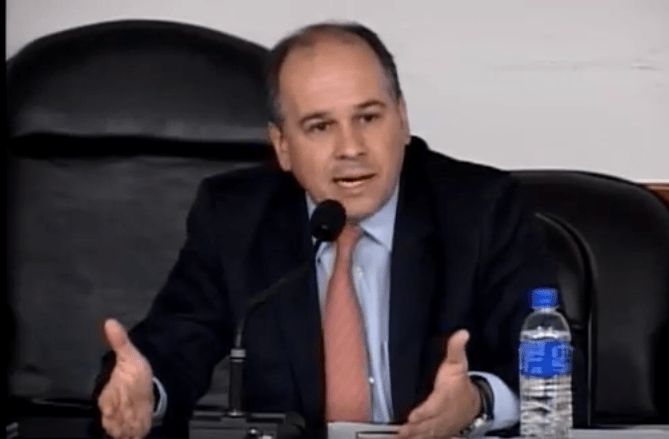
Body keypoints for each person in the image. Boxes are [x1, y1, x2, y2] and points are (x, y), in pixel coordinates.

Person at [94, 20, 577, 439]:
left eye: (368, 117)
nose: (351, 147)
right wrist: (146, 391)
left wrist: (476, 403)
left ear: (402, 119)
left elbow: (548, 362)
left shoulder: (481, 209)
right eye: (320, 127)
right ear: (282, 146)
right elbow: (174, 345)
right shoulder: (236, 218)